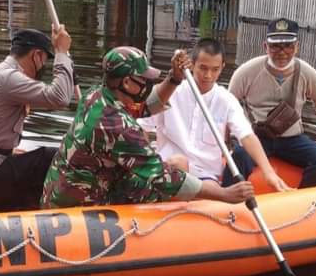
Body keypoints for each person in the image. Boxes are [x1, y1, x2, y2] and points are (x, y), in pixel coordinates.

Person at [41, 46, 255, 208]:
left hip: (60, 187)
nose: (147, 84)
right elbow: (164, 177)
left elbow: (146, 106)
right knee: (170, 173)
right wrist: (224, 195)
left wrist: (174, 79)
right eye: (142, 79)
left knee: (170, 167)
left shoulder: (96, 95)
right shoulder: (118, 127)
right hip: (80, 202)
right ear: (126, 82)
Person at [0, 26, 74, 214]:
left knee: (28, 159)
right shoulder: (8, 78)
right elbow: (61, 98)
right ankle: (60, 215)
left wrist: (3, 151)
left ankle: (25, 210)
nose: (43, 67)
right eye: (45, 61)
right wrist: (62, 53)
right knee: (51, 157)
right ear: (37, 56)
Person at [139, 38, 290, 191]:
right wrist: (144, 159)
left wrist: (268, 172)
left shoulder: (226, 100)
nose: (208, 75)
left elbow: (246, 136)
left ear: (222, 67)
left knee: (212, 185)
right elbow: (141, 126)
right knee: (178, 163)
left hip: (206, 175)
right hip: (168, 167)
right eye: (203, 68)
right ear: (192, 64)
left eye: (215, 69)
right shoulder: (171, 92)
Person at [226, 18, 316, 189]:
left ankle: (302, 202)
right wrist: (226, 141)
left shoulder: (307, 72)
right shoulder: (246, 72)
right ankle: (227, 202)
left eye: (288, 46)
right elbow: (227, 107)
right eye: (275, 46)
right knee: (239, 157)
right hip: (257, 138)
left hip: (292, 139)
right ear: (265, 46)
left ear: (297, 47)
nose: (282, 52)